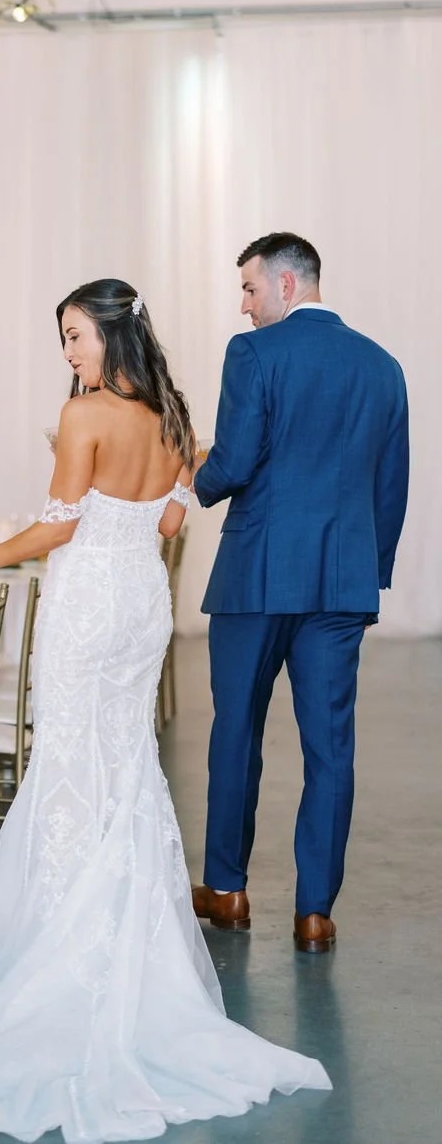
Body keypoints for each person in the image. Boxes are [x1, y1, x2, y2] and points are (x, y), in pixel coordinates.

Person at [0, 278, 330, 1141]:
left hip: (85, 605)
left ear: (111, 333)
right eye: (64, 341)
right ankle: (133, 962)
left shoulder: (84, 418)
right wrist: (156, 507)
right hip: (141, 604)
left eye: (76, 336)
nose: (70, 354)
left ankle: (64, 962)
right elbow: (176, 511)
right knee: (123, 767)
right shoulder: (173, 412)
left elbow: (61, 525)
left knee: (71, 763)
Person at [191, 234, 409, 953]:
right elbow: (390, 486)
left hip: (257, 575)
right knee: (331, 748)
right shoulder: (383, 369)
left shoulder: (252, 354)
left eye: (250, 289)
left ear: (287, 286)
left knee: (237, 731)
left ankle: (227, 888)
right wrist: (363, 574)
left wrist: (196, 473)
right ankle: (315, 911)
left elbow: (237, 459)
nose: (243, 305)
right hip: (339, 588)